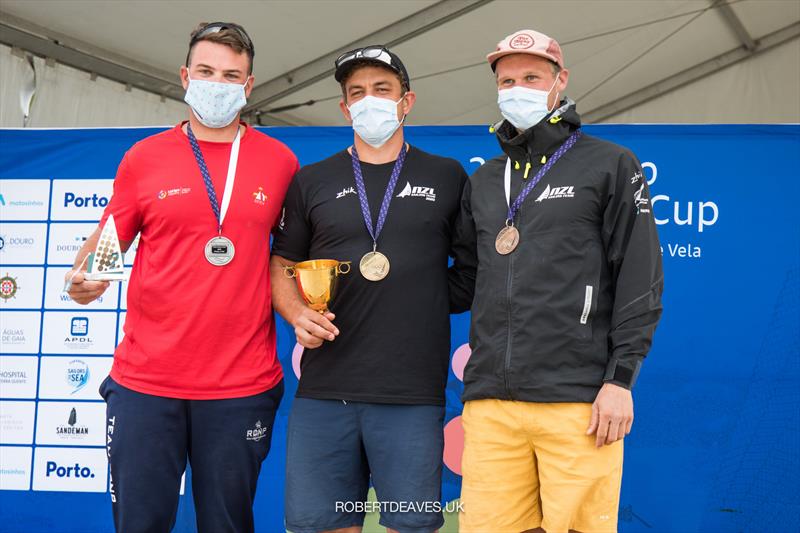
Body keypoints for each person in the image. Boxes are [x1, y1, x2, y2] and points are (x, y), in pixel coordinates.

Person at [64, 21, 298, 533]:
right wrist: (85, 278)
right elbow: (109, 241)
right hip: (147, 384)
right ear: (185, 76)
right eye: (208, 71)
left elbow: (292, 257)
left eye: (231, 75)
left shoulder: (280, 162)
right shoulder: (144, 158)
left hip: (241, 386)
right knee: (140, 525)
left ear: (249, 86)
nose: (218, 84)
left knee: (227, 526)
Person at [456, 29, 664, 533]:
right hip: (491, 402)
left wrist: (620, 380)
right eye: (507, 80)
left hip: (578, 399)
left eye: (532, 76)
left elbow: (640, 275)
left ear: (560, 81)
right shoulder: (485, 181)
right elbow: (463, 280)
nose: (517, 88)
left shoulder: (610, 163)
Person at [270, 45, 473, 533]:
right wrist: (298, 313)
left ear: (407, 101)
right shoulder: (312, 180)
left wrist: (414, 299)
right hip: (324, 392)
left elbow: (471, 271)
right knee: (322, 525)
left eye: (382, 89)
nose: (369, 100)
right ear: (344, 108)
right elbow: (282, 264)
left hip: (412, 394)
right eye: (356, 92)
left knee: (411, 526)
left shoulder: (446, 176)